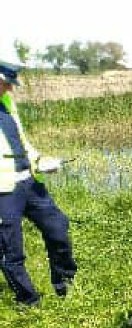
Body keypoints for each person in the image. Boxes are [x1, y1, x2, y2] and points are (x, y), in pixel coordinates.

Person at [0, 59, 77, 306]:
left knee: (58, 228)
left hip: (30, 182)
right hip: (3, 191)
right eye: (5, 84)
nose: (10, 89)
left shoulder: (6, 102)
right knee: (11, 252)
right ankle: (29, 300)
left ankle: (64, 284)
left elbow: (21, 142)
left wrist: (41, 159)